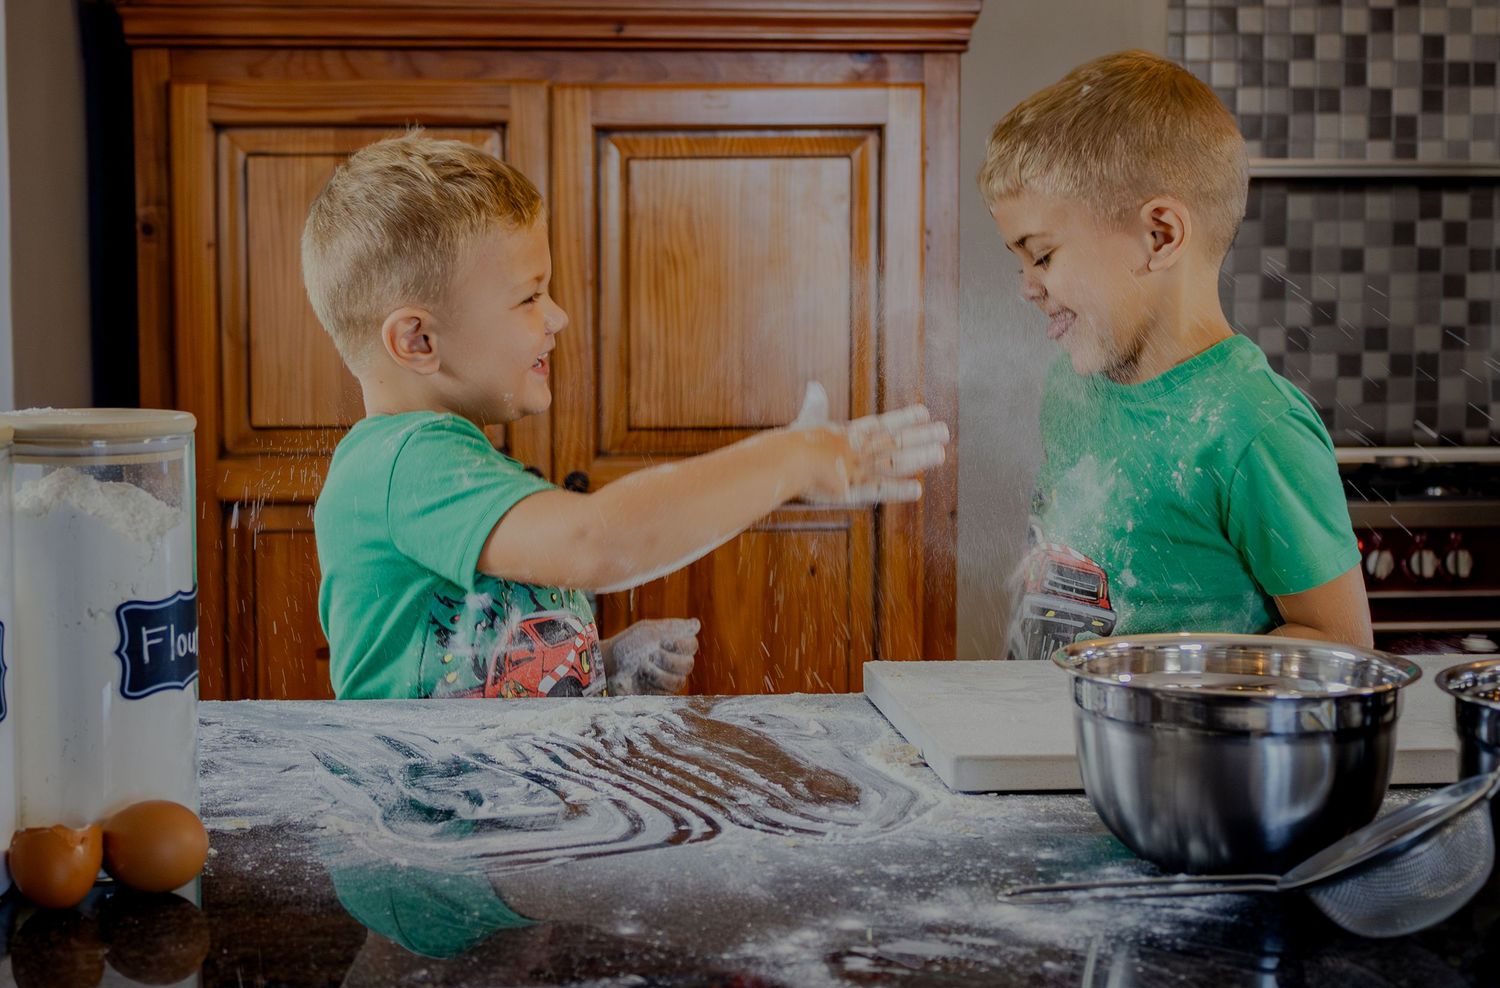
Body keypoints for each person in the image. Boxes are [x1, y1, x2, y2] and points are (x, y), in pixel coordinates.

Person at [303, 132, 948, 698]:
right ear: (417, 340)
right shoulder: (406, 462)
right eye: (529, 297)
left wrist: (598, 664)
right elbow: (596, 542)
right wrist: (792, 457)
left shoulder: (445, 462)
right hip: (430, 839)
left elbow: (467, 671)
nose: (556, 317)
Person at [978, 51, 1372, 659]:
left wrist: (1133, 674)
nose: (1027, 286)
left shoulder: (1254, 428)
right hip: (1052, 741)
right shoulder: (1071, 387)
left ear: (1159, 235)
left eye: (1043, 255)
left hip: (1177, 752)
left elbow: (1340, 644)